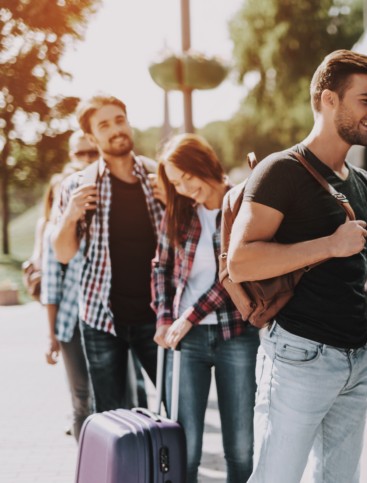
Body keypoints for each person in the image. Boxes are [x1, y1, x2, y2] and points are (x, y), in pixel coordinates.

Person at [227, 50, 367, 483]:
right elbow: (240, 261)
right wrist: (329, 246)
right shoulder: (280, 171)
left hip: (357, 363)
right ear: (327, 100)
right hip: (300, 357)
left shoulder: (364, 184)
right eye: (365, 100)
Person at [151, 134, 259, 483]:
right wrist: (165, 319)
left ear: (204, 166)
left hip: (237, 336)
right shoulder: (180, 211)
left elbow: (236, 275)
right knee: (187, 448)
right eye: (175, 183)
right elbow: (160, 267)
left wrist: (187, 316)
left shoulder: (244, 202)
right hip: (187, 341)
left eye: (186, 178)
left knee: (240, 450)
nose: (182, 189)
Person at [51, 94, 166, 413]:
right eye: (104, 125)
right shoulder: (77, 186)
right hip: (102, 318)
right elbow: (63, 254)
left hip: (160, 318)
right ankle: (120, 466)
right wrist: (70, 215)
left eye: (119, 120)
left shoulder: (160, 177)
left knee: (178, 404)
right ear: (91, 137)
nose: (116, 129)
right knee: (110, 414)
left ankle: (175, 464)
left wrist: (172, 202)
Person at [40, 130, 98, 440]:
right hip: (72, 322)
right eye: (81, 154)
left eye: (93, 153)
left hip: (115, 318)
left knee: (121, 399)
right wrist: (50, 335)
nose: (87, 159)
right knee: (82, 402)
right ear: (71, 157)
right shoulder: (58, 220)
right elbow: (51, 285)